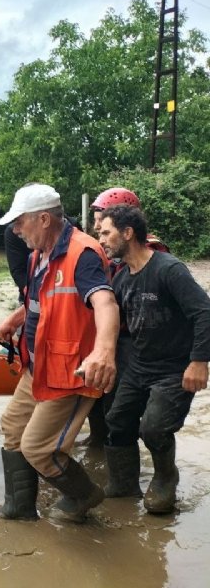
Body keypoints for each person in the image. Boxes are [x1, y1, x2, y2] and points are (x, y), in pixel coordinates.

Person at [0, 183, 119, 523]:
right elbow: (42, 303)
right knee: (12, 429)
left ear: (44, 219)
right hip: (39, 365)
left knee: (40, 448)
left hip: (70, 373)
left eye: (20, 222)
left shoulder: (84, 253)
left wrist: (104, 352)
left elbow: (104, 301)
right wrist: (15, 319)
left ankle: (85, 495)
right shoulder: (39, 255)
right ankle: (19, 509)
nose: (16, 231)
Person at [97, 205, 210, 514]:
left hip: (174, 370)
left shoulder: (168, 270)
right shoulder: (122, 280)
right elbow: (113, 326)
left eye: (105, 232)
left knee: (154, 428)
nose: (102, 240)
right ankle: (123, 483)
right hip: (138, 367)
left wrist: (200, 361)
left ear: (128, 233)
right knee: (117, 422)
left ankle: (164, 479)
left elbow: (204, 312)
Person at [80, 187, 170, 447]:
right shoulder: (111, 252)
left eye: (103, 223)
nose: (98, 230)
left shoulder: (156, 258)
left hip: (135, 341)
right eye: (97, 222)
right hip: (113, 333)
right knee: (98, 396)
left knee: (120, 407)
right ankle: (100, 445)